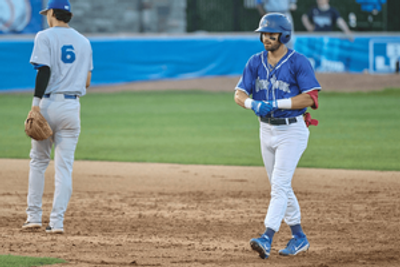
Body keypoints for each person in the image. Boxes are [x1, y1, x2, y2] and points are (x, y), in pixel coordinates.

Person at [234, 13, 320, 259]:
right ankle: (299, 237)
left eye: (272, 34)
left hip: (292, 130)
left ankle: (267, 236)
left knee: (279, 185)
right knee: (279, 186)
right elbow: (238, 93)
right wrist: (253, 104)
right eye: (264, 33)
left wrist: (277, 103)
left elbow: (310, 97)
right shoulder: (255, 62)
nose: (266, 38)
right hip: (266, 129)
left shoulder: (298, 61)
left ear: (284, 35)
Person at [22, 0, 93, 234]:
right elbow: (87, 82)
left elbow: (44, 70)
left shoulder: (44, 36)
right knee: (64, 168)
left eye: (47, 13)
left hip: (48, 103)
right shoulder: (84, 41)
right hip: (72, 107)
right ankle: (57, 223)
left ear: (51, 12)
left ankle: (33, 217)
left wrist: (35, 106)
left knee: (39, 162)